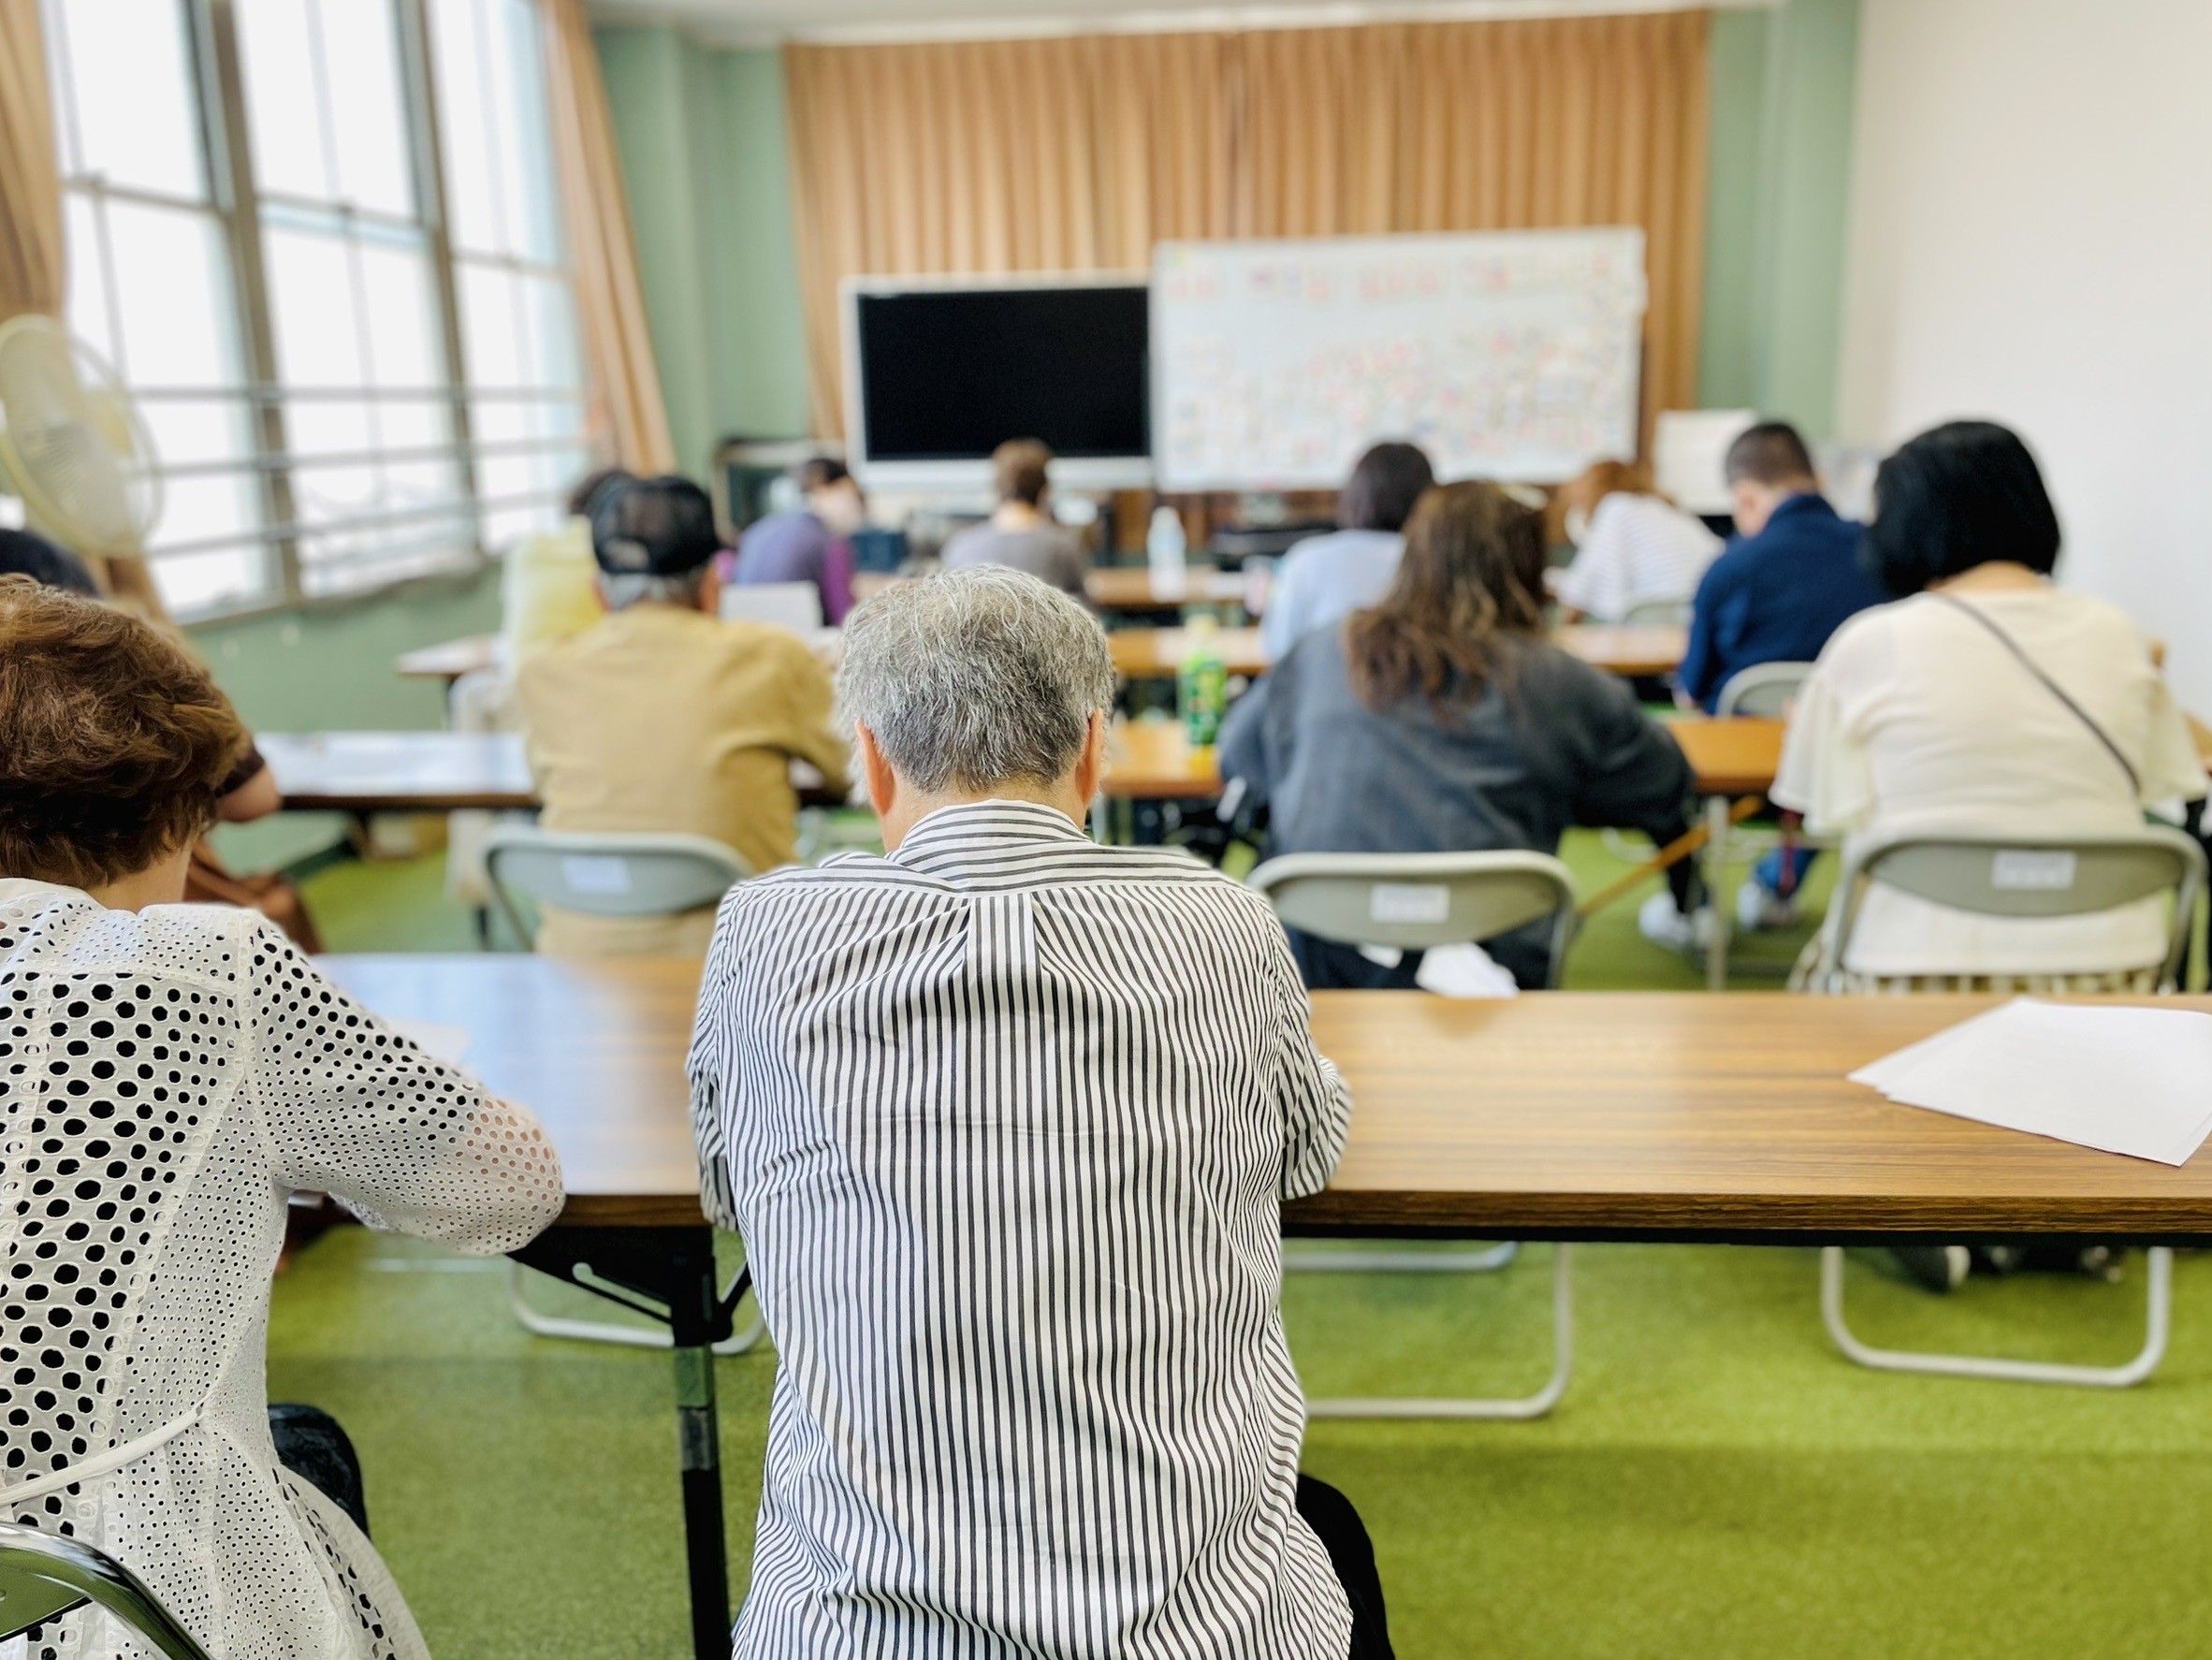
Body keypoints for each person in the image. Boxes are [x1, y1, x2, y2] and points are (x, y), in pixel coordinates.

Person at [687, 565, 1390, 1660]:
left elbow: (729, 1186)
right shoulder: (1222, 923)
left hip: (845, 1634)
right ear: (1095, 752)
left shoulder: (763, 932)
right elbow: (1306, 1150)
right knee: (1322, 1528)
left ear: (870, 760)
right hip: (1203, 1634)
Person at [0, 575, 564, 1660]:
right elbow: (507, 1184)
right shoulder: (203, 970)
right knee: (305, 1453)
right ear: (174, 815)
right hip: (121, 1593)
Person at [1776, 420, 2206, 990]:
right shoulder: (2120, 634)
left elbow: (1819, 804)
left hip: (1908, 973)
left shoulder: (1870, 642)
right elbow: (2160, 784)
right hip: (2110, 971)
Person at [1222, 481, 1696, 990]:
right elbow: (1667, 782)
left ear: (1412, 553)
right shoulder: (1561, 682)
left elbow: (1237, 760)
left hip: (1312, 972)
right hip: (1496, 969)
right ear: (1530, 568)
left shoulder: (1320, 653)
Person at [515, 475, 850, 955]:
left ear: (599, 593)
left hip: (580, 971)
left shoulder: (542, 672)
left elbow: (543, 784)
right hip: (745, 974)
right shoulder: (769, 657)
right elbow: (852, 770)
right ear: (713, 585)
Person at [1662, 420, 1887, 943]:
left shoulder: (1730, 565)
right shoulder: (1879, 553)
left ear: (1745, 495)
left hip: (1742, 765)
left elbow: (1692, 687)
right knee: (1829, 754)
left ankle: (1692, 908)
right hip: (1850, 765)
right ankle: (1777, 886)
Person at [1260, 440, 1434, 661]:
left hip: (1324, 691)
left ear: (1355, 493)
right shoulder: (1437, 560)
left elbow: (1277, 648)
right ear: (1429, 499)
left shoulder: (1308, 560)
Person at [1550, 459, 1721, 623]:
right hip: (1708, 616)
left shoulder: (1615, 508)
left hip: (1655, 621)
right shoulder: (1669, 511)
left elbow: (1576, 597)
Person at [939, 437, 1090, 595]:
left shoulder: (961, 546)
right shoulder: (1064, 546)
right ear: (1045, 489)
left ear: (996, 487)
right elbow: (1085, 612)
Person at [728, 455, 864, 624]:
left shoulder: (758, 530)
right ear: (825, 489)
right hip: (796, 643)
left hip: (743, 638)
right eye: (853, 496)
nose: (857, 508)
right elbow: (845, 617)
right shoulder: (830, 541)